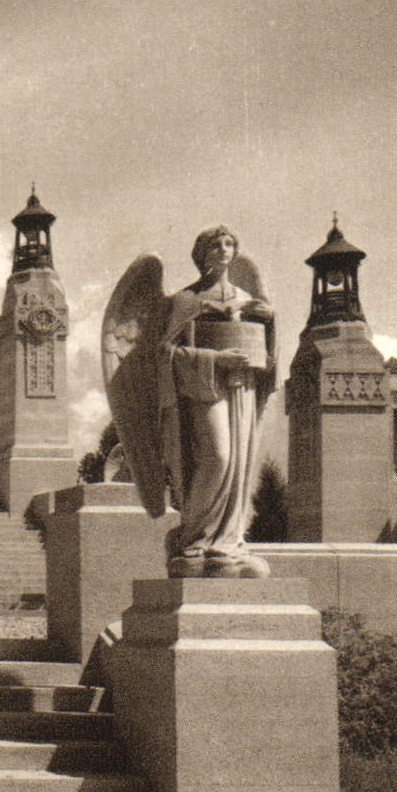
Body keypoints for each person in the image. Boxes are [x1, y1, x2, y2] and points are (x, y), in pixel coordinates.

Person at [160, 226, 275, 578]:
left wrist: (270, 323)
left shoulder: (245, 298)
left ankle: (227, 542)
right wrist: (215, 359)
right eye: (215, 245)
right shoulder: (186, 300)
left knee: (239, 462)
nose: (223, 250)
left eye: (229, 244)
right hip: (204, 387)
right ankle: (194, 538)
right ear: (201, 254)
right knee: (218, 457)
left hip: (242, 386)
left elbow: (267, 357)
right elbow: (166, 353)